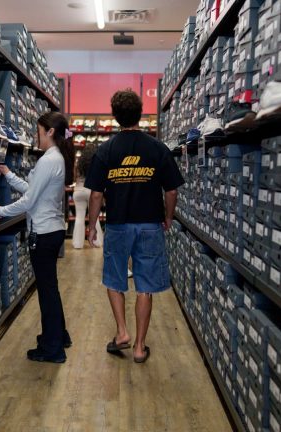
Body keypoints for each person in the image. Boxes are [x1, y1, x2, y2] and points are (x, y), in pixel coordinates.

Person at [84, 89, 185, 363]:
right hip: (150, 224)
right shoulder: (158, 148)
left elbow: (96, 194)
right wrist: (168, 217)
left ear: (115, 116)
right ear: (140, 113)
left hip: (118, 225)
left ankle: (122, 333)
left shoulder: (106, 150)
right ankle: (140, 347)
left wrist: (92, 226)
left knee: (114, 279)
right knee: (145, 286)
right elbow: (172, 190)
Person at [0, 112, 76, 363]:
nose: (35, 135)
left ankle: (52, 349)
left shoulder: (49, 160)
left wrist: (0, 211)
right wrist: (8, 174)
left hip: (43, 232)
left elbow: (29, 201)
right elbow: (34, 190)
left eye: (38, 131)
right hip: (52, 230)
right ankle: (59, 336)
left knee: (47, 291)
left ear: (50, 132)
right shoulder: (55, 158)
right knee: (50, 288)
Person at [72, 144, 104, 249]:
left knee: (79, 217)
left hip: (78, 190)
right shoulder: (96, 162)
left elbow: (74, 177)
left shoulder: (78, 163)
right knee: (94, 217)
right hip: (91, 190)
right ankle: (97, 242)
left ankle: (77, 244)